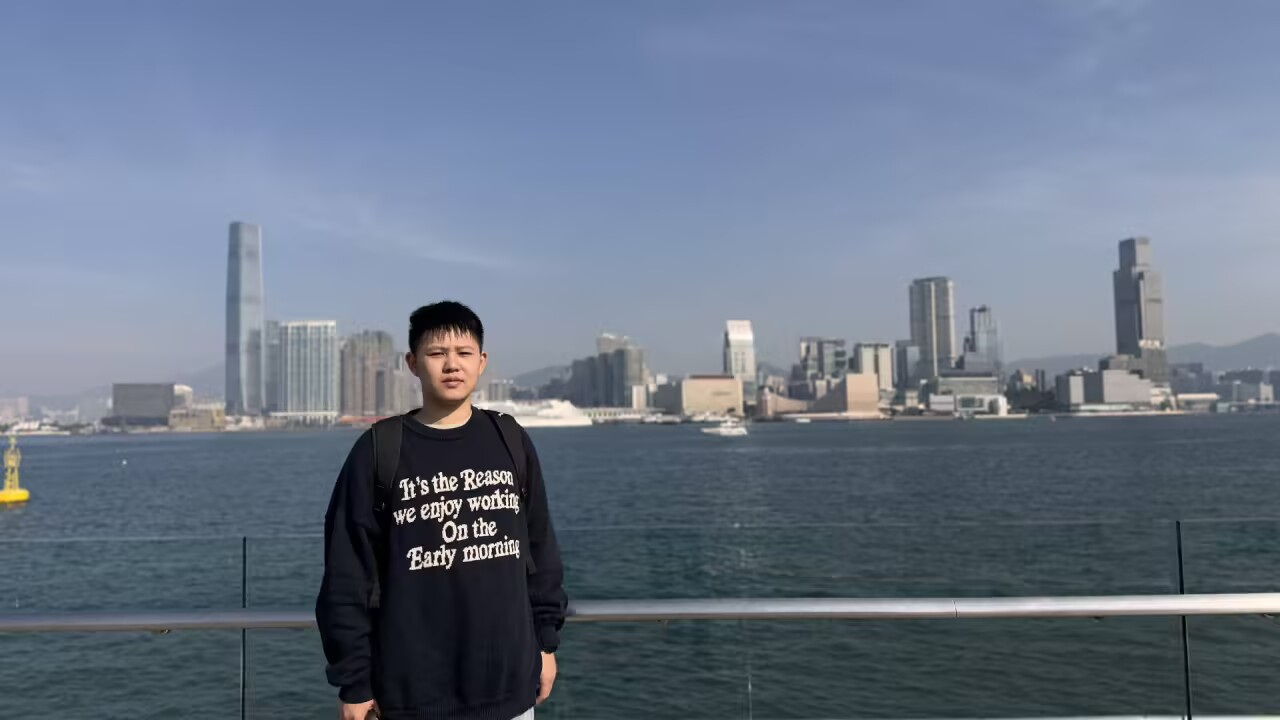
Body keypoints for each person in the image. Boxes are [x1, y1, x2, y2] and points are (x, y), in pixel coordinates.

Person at [317, 301, 567, 720]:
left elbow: (540, 551)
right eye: (437, 353)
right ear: (413, 363)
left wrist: (545, 643)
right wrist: (354, 682)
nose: (452, 365)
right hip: (412, 695)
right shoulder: (379, 450)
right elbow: (347, 574)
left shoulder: (510, 439)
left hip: (511, 687)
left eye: (464, 353)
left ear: (482, 362)